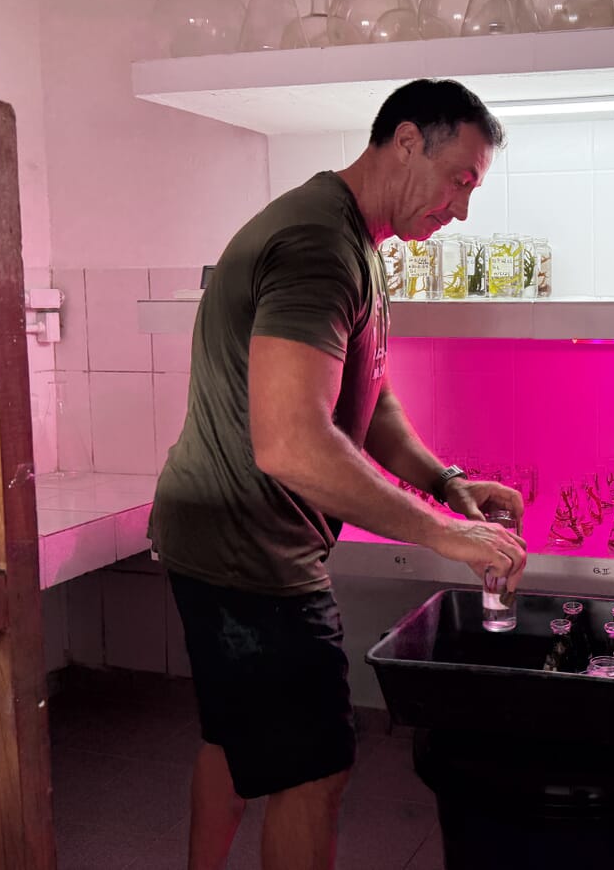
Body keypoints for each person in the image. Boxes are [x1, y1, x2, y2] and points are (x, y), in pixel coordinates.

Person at [147, 78, 527, 870]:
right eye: (459, 180)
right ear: (407, 140)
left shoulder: (352, 239)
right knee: (315, 769)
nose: (462, 209)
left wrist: (445, 482)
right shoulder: (319, 245)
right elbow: (292, 443)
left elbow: (368, 395)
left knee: (234, 739)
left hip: (215, 529)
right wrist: (445, 534)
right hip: (250, 550)